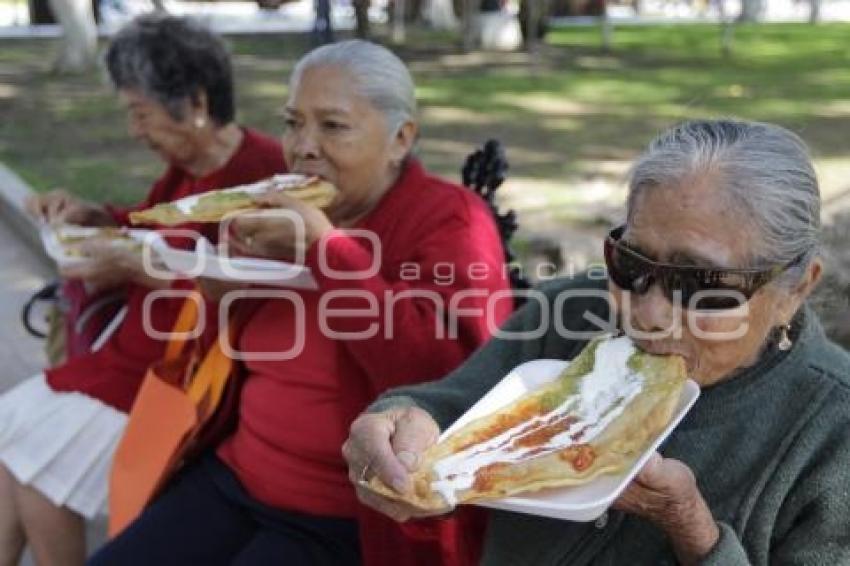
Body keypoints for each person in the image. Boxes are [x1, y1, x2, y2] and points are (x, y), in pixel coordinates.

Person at [343, 119, 850, 565]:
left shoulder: (833, 429)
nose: (646, 314)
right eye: (631, 265)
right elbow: (452, 405)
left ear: (796, 288)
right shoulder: (570, 311)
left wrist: (692, 529)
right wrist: (398, 423)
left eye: (701, 285)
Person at [89, 40, 513, 566]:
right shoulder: (270, 216)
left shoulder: (449, 218)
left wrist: (327, 251)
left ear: (400, 138)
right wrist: (220, 297)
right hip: (236, 475)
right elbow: (232, 361)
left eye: (333, 126)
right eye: (293, 123)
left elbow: (444, 373)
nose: (303, 146)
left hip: (347, 512)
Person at [0, 14, 284, 566]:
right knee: (10, 436)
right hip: (133, 358)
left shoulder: (259, 178)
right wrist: (95, 215)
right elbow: (153, 226)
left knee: (34, 459)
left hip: (182, 379)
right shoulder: (190, 168)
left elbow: (255, 291)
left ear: (196, 104)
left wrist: (134, 267)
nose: (135, 130)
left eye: (141, 113)